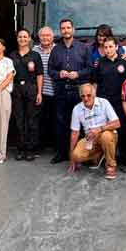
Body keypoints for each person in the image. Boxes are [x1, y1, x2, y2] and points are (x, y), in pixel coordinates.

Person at [48, 18, 93, 164]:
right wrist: (58, 74)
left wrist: (78, 74)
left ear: (73, 30)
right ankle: (62, 153)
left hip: (79, 91)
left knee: (81, 123)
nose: (66, 30)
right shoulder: (56, 49)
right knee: (61, 123)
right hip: (61, 91)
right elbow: (50, 70)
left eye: (68, 27)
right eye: (63, 28)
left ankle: (81, 154)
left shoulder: (84, 48)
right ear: (60, 31)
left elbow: (90, 68)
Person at [67, 83, 121, 180]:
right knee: (76, 156)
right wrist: (71, 158)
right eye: (83, 96)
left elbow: (117, 123)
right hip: (90, 139)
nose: (86, 98)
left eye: (89, 95)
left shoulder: (104, 102)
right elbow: (75, 133)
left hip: (106, 134)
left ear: (94, 94)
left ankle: (110, 165)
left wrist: (99, 129)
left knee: (106, 136)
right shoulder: (77, 109)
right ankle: (99, 154)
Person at [93, 36, 126, 164]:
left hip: (121, 102)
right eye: (106, 47)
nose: (108, 49)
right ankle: (106, 156)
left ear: (116, 47)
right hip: (105, 102)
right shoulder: (100, 63)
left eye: (110, 47)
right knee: (106, 129)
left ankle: (124, 156)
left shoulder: (125, 61)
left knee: (123, 128)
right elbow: (96, 82)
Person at [10, 28, 44, 161]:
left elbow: (40, 75)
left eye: (25, 37)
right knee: (19, 120)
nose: (22, 39)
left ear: (29, 39)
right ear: (17, 38)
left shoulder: (35, 55)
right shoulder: (12, 55)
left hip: (31, 88)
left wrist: (39, 93)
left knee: (31, 120)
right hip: (16, 89)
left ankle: (30, 149)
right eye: (20, 37)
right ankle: (20, 148)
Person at [33, 26, 56, 154]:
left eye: (48, 35)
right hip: (40, 91)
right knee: (39, 119)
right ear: (39, 37)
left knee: (54, 119)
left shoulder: (58, 50)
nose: (45, 38)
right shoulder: (34, 50)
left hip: (54, 90)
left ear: (52, 37)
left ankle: (53, 145)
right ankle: (39, 145)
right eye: (43, 35)